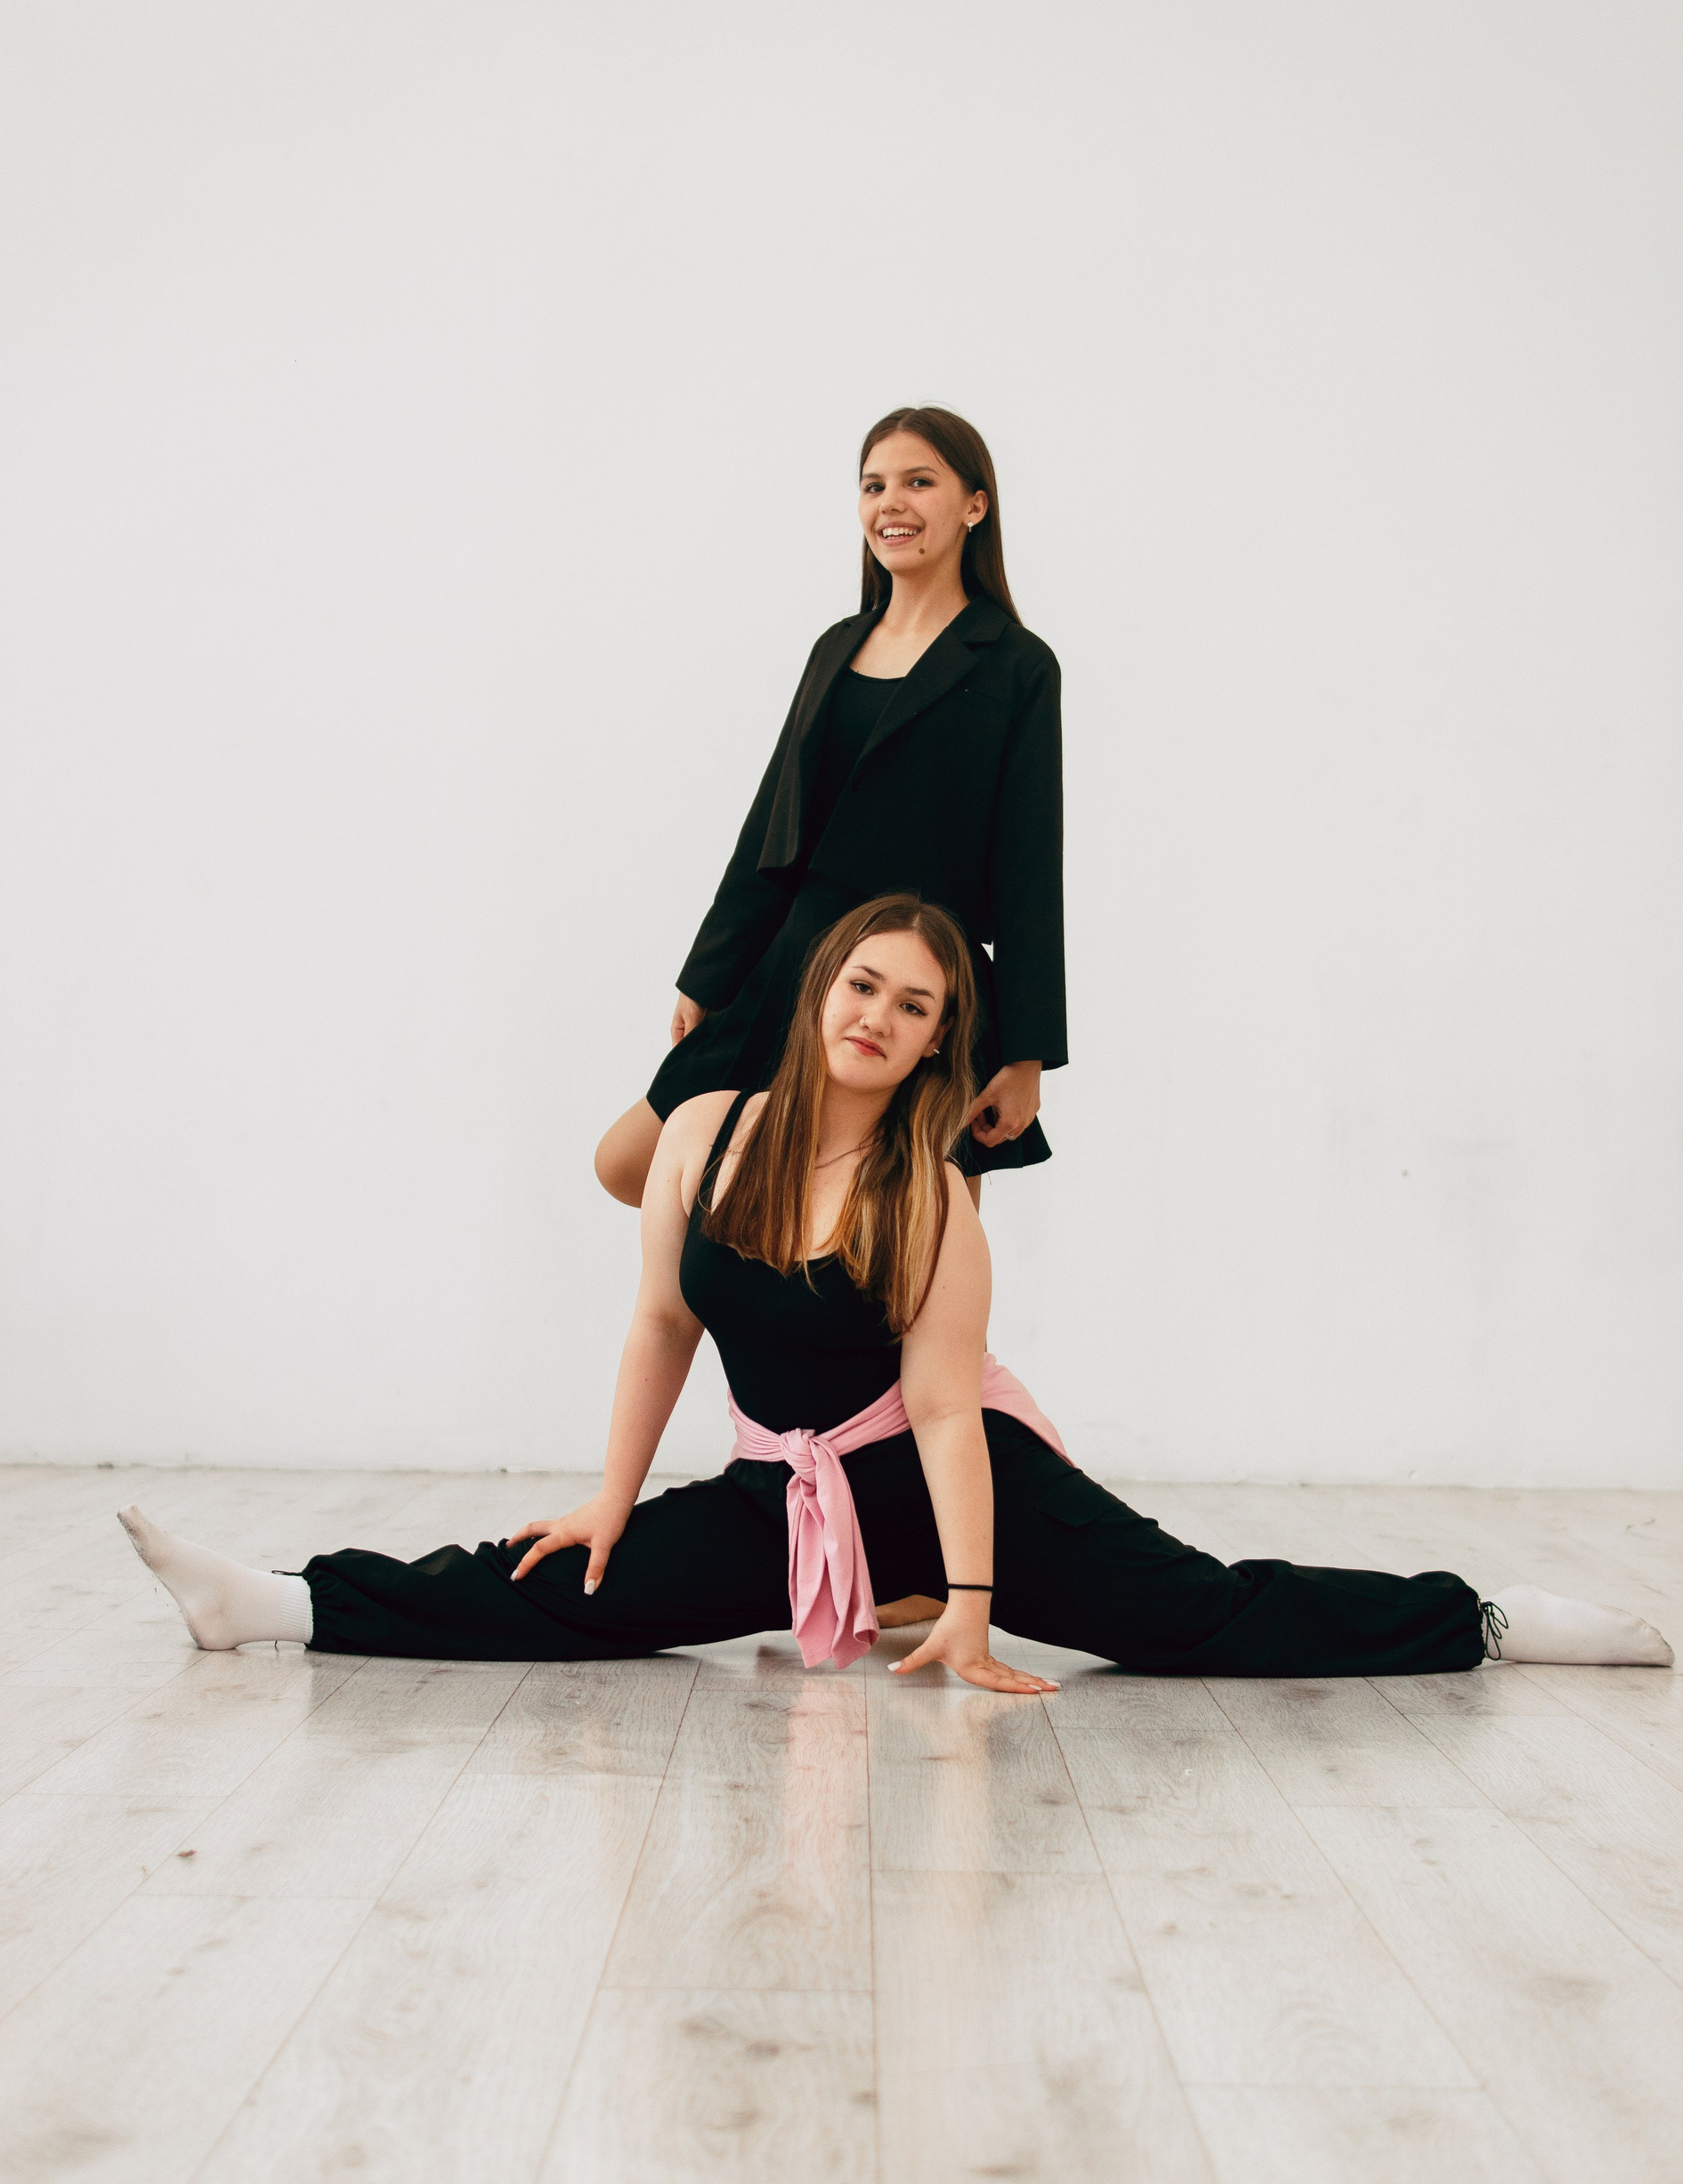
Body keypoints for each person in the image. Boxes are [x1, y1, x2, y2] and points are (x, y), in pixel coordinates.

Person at [120, 897, 1672, 1690]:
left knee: (1200, 1615)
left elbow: (943, 1416)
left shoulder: (927, 1194)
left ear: (937, 1042)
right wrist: (611, 1499)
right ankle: (283, 1602)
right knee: (578, 1586)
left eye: (915, 1005)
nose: (879, 1014)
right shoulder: (703, 1133)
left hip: (955, 1490)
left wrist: (977, 1618)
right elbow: (661, 1324)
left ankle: (1487, 1620)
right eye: (864, 984)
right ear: (824, 994)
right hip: (787, 1495)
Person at [593, 405, 1066, 1212]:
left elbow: (1029, 868)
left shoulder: (1016, 665)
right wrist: (710, 976)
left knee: (920, 1238)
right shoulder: (836, 646)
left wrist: (1026, 1057)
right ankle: (791, 1271)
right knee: (632, 1164)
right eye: (873, 486)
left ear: (975, 505)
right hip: (796, 963)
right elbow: (769, 832)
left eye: (919, 482)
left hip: (922, 989)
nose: (891, 503)